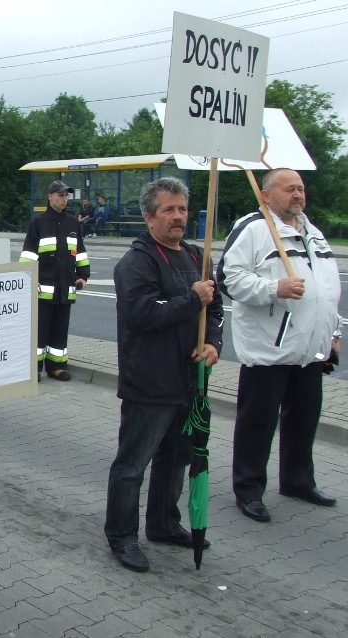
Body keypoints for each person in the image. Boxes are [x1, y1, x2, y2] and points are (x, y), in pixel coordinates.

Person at [104, 177, 223, 573]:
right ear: (149, 216)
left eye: (183, 209)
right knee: (132, 464)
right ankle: (121, 536)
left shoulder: (195, 255)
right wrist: (192, 299)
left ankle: (163, 523)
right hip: (149, 383)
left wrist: (213, 345)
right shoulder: (137, 262)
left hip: (189, 380)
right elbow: (142, 315)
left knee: (176, 459)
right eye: (169, 210)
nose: (178, 217)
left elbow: (215, 310)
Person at [217, 168, 342, 523]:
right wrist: (275, 289)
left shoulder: (313, 233)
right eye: (290, 189)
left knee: (304, 419)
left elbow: (327, 291)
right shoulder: (255, 229)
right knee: (257, 422)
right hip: (269, 350)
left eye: (300, 188)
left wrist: (334, 334)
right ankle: (249, 489)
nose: (298, 195)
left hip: (309, 350)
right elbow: (228, 278)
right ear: (266, 195)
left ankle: (298, 480)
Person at [20, 180, 89, 381]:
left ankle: (56, 367)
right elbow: (28, 254)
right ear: (50, 196)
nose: (64, 199)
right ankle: (34, 368)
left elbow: (80, 252)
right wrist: (30, 277)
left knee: (60, 329)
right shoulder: (38, 224)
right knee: (39, 331)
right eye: (60, 195)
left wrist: (83, 275)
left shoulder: (72, 223)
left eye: (66, 196)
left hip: (65, 287)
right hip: (43, 289)